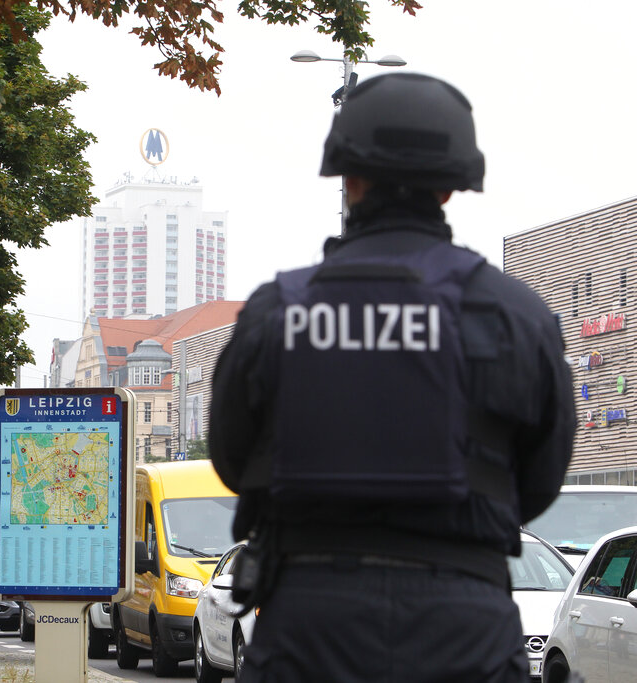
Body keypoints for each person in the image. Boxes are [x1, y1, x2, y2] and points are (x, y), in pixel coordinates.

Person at [209, 72, 575, 683]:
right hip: (467, 630)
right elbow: (539, 483)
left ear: (349, 179)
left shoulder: (279, 313)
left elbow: (228, 458)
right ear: (450, 190)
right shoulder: (516, 318)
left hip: (306, 629)